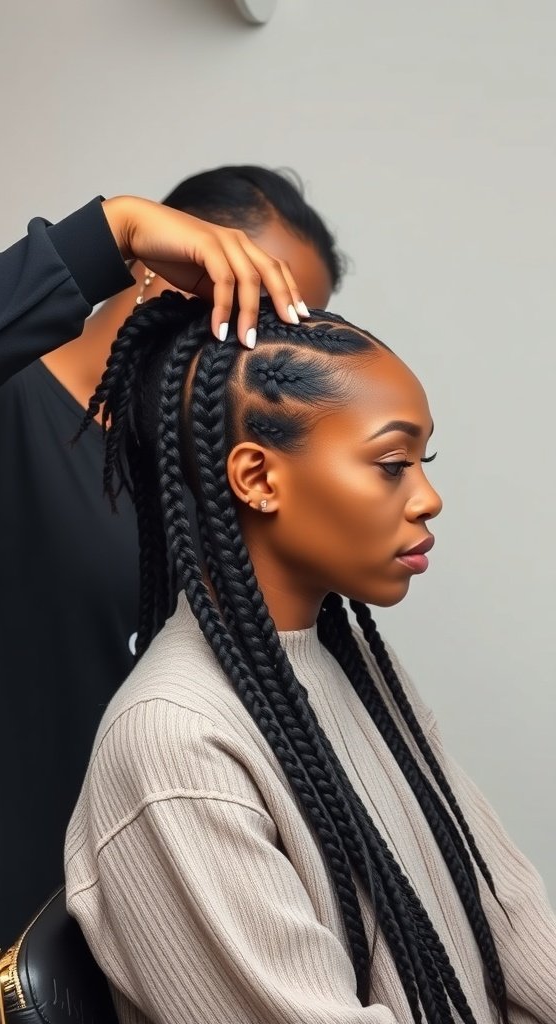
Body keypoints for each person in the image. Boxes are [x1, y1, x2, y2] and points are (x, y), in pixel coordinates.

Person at [65, 294, 556, 1024]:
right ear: (258, 478)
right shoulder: (174, 744)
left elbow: (504, 913)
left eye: (425, 460)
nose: (429, 498)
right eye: (392, 463)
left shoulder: (347, 656)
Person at [0, 168, 340, 972]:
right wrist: (110, 231)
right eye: (249, 298)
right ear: (166, 266)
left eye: (289, 332)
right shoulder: (5, 406)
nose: (262, 349)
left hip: (113, 937)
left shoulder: (204, 491)